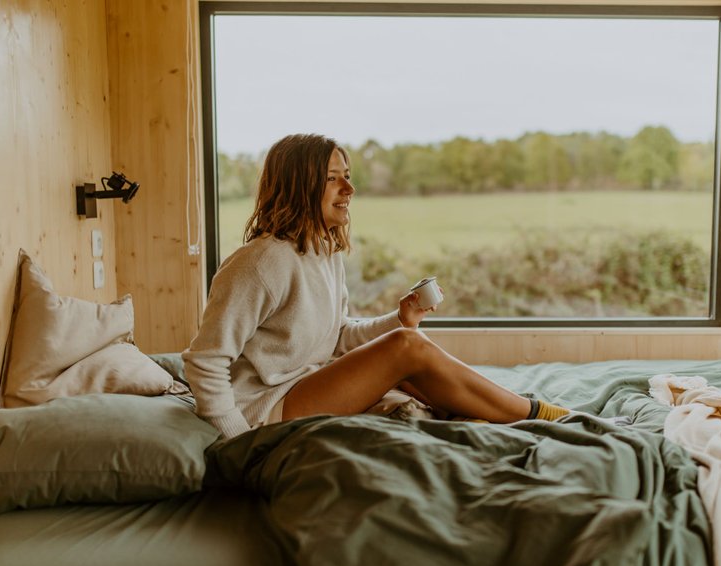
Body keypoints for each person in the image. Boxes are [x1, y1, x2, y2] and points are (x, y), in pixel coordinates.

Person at [182, 133, 570, 439]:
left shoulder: (323, 253)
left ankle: (495, 414)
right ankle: (542, 415)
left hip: (305, 387)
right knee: (406, 348)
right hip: (266, 409)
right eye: (332, 180)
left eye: (347, 178)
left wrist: (399, 319)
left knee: (405, 357)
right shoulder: (260, 263)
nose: (348, 191)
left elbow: (335, 338)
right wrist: (238, 441)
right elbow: (205, 362)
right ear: (299, 186)